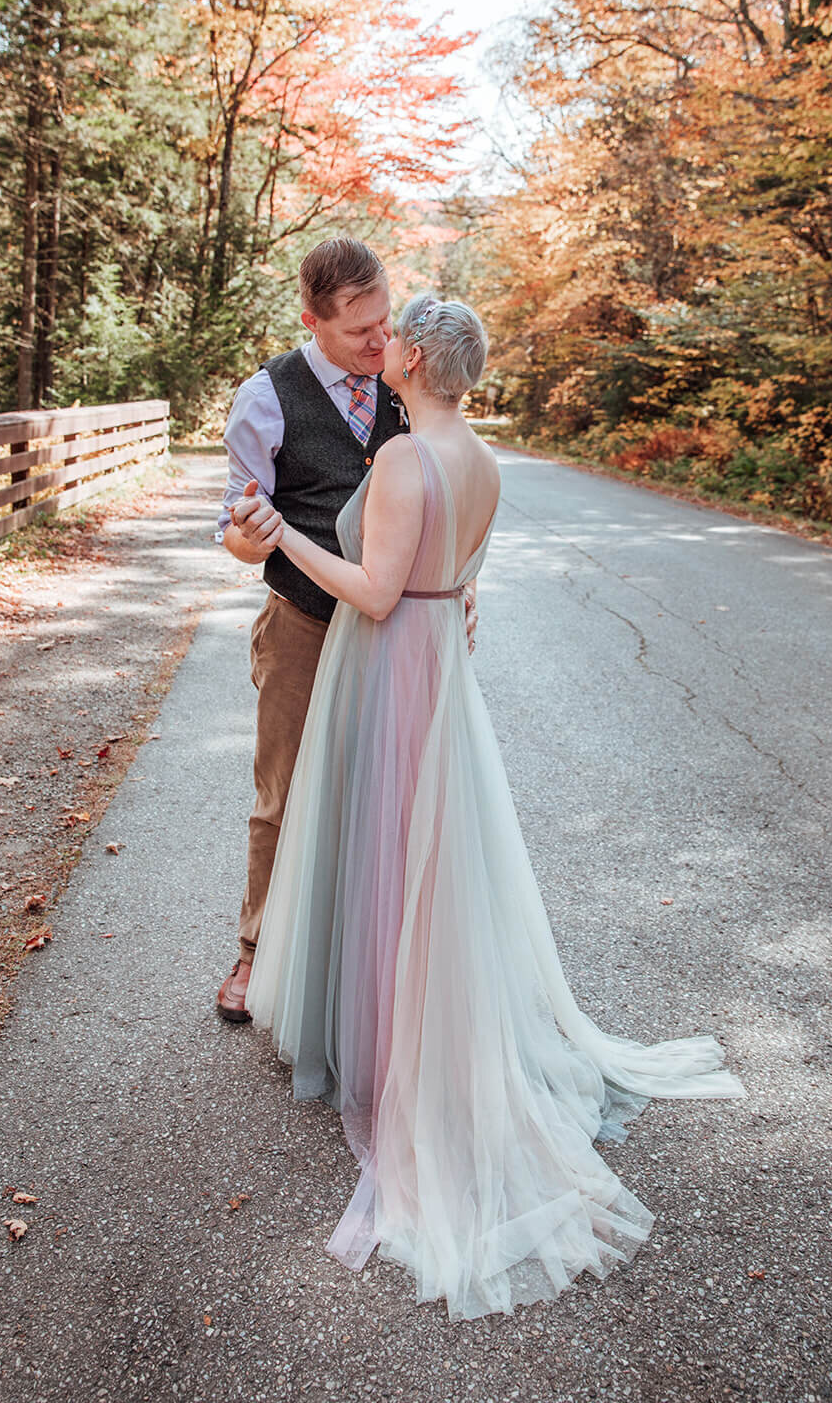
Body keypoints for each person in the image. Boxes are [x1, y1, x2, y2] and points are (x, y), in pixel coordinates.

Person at [242, 293, 747, 1321]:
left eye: (395, 340)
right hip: (440, 672)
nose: (381, 348)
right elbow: (455, 579)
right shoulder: (481, 461)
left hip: (388, 665)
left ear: (420, 358)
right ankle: (408, 1026)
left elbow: (375, 592)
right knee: (431, 856)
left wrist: (282, 537)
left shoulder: (398, 458)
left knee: (389, 847)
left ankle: (395, 1055)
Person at [215, 238, 477, 1024]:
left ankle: (361, 973)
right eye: (359, 329)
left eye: (384, 321)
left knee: (388, 802)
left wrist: (463, 583)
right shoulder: (266, 396)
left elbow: (450, 493)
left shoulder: (407, 381)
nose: (378, 341)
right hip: (303, 625)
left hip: (392, 639)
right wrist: (252, 532)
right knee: (284, 797)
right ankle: (256, 953)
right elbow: (232, 525)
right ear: (311, 321)